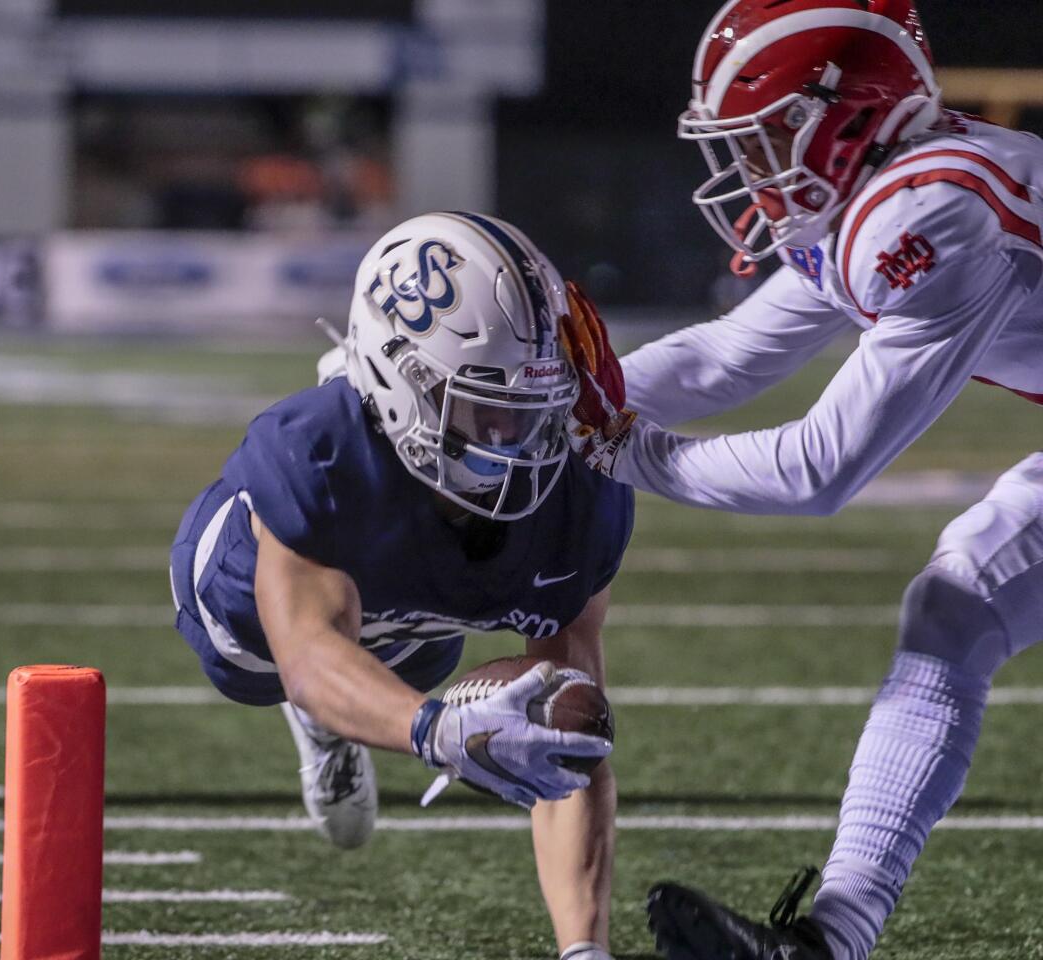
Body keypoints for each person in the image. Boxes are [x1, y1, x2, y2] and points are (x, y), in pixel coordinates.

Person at [555, 2, 1043, 959]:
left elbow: (821, 468)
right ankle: (831, 942)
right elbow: (727, 357)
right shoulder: (877, 187)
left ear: (849, 110)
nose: (751, 164)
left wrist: (622, 449)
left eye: (770, 132)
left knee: (961, 600)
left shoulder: (932, 208)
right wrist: (556, 403)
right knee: (954, 607)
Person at [169, 211, 632, 960]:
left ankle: (363, 695)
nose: (526, 447)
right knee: (257, 666)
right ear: (398, 382)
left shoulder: (581, 494)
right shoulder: (321, 452)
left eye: (538, 412)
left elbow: (574, 741)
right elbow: (308, 656)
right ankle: (327, 722)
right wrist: (434, 731)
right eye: (491, 410)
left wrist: (585, 951)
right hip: (246, 598)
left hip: (413, 613)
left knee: (438, 668)